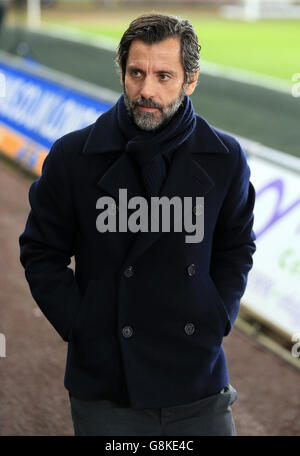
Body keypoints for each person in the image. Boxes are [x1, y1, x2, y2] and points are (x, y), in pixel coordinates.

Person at [19, 13, 256, 436]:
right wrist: (82, 324)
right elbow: (41, 252)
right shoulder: (74, 157)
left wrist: (216, 314)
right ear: (123, 73)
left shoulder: (224, 158)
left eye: (164, 76)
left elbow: (236, 246)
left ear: (190, 80)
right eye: (136, 73)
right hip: (108, 386)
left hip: (197, 380)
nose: (147, 90)